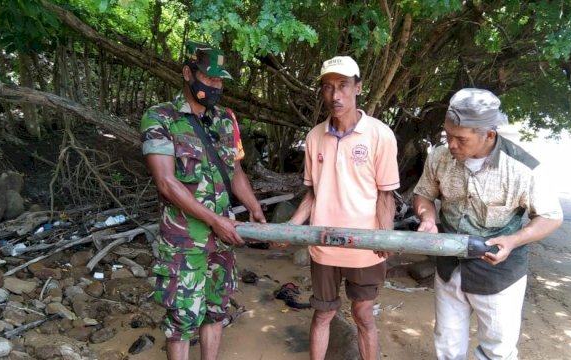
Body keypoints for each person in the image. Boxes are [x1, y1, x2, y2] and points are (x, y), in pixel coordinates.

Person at [413, 88, 564, 360]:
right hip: (449, 265)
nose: (451, 145)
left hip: (499, 273)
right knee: (446, 344)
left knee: (498, 350)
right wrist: (428, 218)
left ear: (489, 135)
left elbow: (551, 216)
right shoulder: (439, 156)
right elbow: (423, 194)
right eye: (447, 135)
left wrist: (514, 240)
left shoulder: (521, 169)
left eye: (461, 139)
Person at [140, 41, 266, 360]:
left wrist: (253, 207)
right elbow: (167, 183)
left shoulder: (226, 119)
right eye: (208, 79)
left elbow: (235, 170)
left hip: (222, 240)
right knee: (182, 319)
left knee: (216, 310)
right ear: (187, 73)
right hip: (184, 240)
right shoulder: (160, 118)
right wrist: (214, 221)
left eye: (219, 81)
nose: (214, 87)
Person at [288, 56, 400, 360]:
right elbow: (312, 194)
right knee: (323, 315)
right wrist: (291, 226)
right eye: (328, 88)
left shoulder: (380, 135)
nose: (335, 96)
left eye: (343, 86)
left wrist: (385, 236)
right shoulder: (314, 137)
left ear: (358, 87)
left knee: (364, 315)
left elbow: (385, 195)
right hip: (323, 246)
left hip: (364, 248)